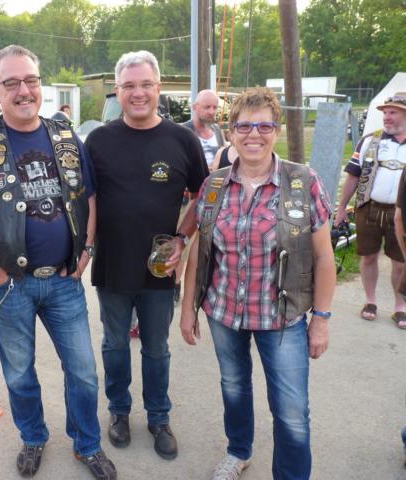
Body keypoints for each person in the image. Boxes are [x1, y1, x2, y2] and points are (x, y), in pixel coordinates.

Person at [0, 45, 116, 480]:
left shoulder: (67, 138)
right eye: (12, 83)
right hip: (9, 285)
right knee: (20, 373)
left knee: (83, 372)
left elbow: (89, 197)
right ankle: (33, 437)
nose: (24, 90)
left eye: (31, 81)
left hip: (64, 281)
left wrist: (87, 251)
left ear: (41, 85)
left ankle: (87, 444)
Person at [180, 87, 336, 480]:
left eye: (264, 126)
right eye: (244, 126)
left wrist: (321, 319)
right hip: (223, 312)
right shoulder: (214, 185)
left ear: (276, 131)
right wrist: (187, 310)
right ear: (231, 132)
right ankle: (238, 451)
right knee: (234, 386)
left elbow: (323, 257)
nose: (254, 134)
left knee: (292, 410)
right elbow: (200, 251)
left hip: (282, 317)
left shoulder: (302, 181)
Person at [86, 50, 208, 461]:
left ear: (159, 88)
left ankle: (159, 417)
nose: (137, 93)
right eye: (129, 86)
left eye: (145, 85)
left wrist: (182, 237)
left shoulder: (183, 140)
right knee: (115, 345)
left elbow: (203, 195)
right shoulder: (99, 140)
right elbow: (85, 200)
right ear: (117, 91)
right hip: (112, 264)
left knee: (156, 348)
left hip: (160, 268)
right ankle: (118, 411)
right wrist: (85, 248)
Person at [335, 93, 406, 324]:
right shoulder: (369, 141)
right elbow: (353, 176)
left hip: (402, 214)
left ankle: (400, 306)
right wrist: (342, 208)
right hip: (369, 208)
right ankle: (370, 301)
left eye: (393, 112)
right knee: (368, 257)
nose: (387, 117)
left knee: (401, 262)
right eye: (385, 112)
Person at [183, 89, 227, 168]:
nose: (211, 112)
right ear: (195, 107)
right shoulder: (182, 131)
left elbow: (226, 155)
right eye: (207, 107)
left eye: (215, 107)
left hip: (217, 176)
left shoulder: (217, 130)